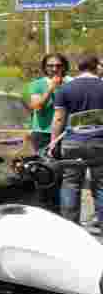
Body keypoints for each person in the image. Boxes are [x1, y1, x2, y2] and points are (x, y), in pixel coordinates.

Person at [50, 54, 103, 227]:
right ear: (96, 67)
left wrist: (53, 143)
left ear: (78, 68)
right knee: (101, 184)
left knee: (71, 183)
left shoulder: (65, 89)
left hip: (72, 143)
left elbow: (58, 119)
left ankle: (70, 228)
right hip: (99, 143)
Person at [27, 53, 69, 153]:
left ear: (64, 67)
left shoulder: (70, 84)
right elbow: (37, 106)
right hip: (43, 134)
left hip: (65, 133)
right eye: (50, 66)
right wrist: (51, 88)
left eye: (58, 66)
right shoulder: (37, 84)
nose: (54, 69)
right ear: (45, 68)